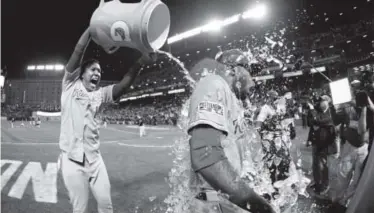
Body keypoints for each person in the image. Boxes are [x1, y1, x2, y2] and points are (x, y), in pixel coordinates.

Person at [58, 28, 153, 213]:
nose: (97, 73)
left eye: (100, 71)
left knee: (106, 205)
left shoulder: (100, 95)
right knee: (80, 209)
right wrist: (90, 30)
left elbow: (123, 86)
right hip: (71, 159)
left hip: (95, 160)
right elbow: (79, 52)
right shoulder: (70, 84)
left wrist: (140, 62)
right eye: (93, 69)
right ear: (82, 73)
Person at [187, 49, 275, 213]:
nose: (254, 81)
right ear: (234, 69)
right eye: (251, 72)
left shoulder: (233, 99)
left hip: (218, 196)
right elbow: (205, 156)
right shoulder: (214, 83)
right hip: (210, 198)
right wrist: (258, 206)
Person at [308, 98, 336, 197]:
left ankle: (325, 185)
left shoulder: (331, 113)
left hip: (325, 144)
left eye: (323, 101)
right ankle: (317, 182)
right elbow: (311, 123)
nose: (320, 103)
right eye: (320, 102)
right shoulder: (319, 112)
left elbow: (319, 121)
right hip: (316, 143)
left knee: (322, 165)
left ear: (327, 103)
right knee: (315, 165)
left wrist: (312, 111)